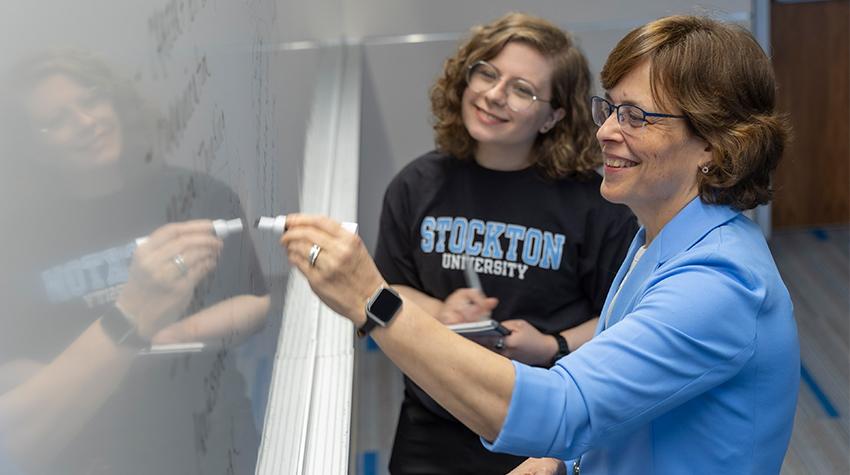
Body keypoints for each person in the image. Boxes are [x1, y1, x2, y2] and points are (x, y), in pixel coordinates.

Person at [282, 14, 800, 474]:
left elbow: (564, 407)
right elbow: (623, 387)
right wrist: (559, 457)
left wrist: (375, 304)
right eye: (611, 109)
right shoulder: (657, 237)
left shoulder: (718, 283)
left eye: (637, 117)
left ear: (713, 142)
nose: (606, 133)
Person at [373, 12, 637, 473]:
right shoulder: (415, 186)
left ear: (553, 115)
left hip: (541, 433)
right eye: (487, 73)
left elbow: (625, 320)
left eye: (522, 89)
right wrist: (442, 312)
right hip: (432, 423)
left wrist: (552, 344)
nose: (494, 95)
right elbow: (387, 291)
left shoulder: (595, 208)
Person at [0, 51, 270, 474]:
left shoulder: (196, 193)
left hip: (206, 429)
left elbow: (254, 302)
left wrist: (156, 337)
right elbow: (11, 364)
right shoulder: (16, 237)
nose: (87, 123)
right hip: (87, 449)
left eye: (91, 101)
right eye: (57, 121)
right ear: (29, 147)